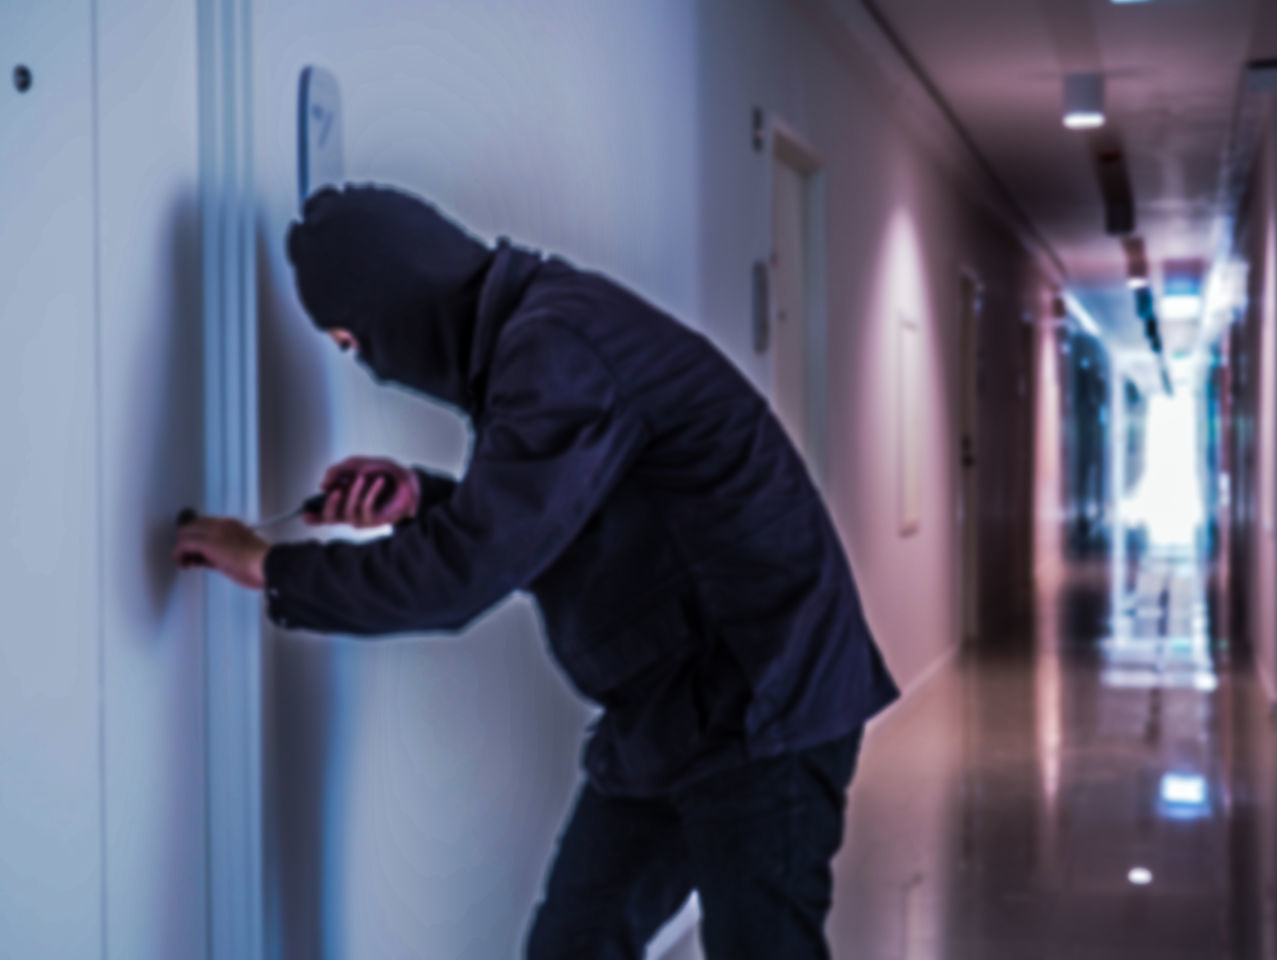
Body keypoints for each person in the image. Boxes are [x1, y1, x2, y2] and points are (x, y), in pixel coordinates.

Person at [174, 184, 899, 959]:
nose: (371, 368)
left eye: (354, 344)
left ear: (398, 305)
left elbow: (466, 573)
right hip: (673, 710)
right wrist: (423, 499)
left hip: (765, 696)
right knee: (572, 946)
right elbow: (556, 517)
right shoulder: (543, 333)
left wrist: (270, 567)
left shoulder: (556, 349)